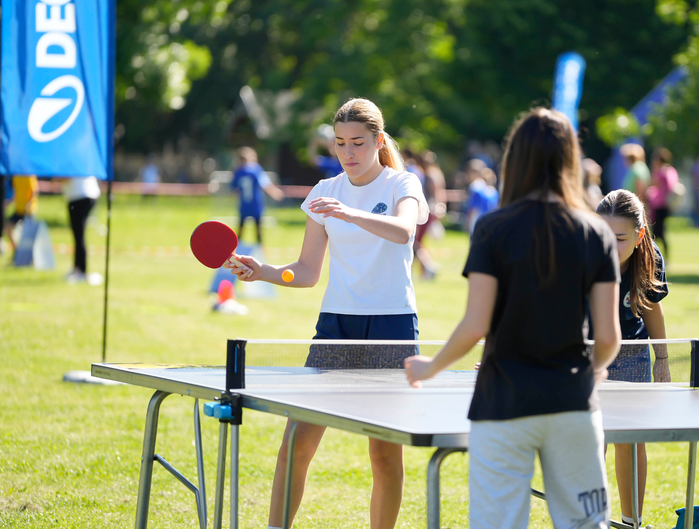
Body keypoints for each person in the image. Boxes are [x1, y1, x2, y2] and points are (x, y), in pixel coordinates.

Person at [405, 107, 621, 529]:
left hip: (502, 404)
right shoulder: (596, 233)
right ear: (570, 159)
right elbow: (609, 338)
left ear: (514, 159)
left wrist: (431, 366)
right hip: (572, 403)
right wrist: (588, 370)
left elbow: (475, 325)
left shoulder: (492, 228)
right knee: (585, 524)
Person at [225, 97, 429, 529]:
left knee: (384, 454)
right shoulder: (323, 193)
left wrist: (352, 214)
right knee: (295, 445)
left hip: (391, 325)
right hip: (335, 325)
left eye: (357, 142)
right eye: (340, 143)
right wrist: (264, 273)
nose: (348, 153)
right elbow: (305, 272)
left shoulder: (402, 184)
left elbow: (405, 231)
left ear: (377, 141)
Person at [593, 189, 670, 529]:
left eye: (620, 238)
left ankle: (630, 523)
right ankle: (587, 520)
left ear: (639, 236)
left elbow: (651, 305)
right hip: (586, 355)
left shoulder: (650, 256)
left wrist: (662, 358)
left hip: (631, 353)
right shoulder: (579, 253)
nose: (610, 246)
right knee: (592, 440)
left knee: (630, 441)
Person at [231, 147, 284, 245]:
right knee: (258, 229)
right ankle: (260, 249)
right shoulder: (255, 170)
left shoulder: (238, 171)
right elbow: (265, 184)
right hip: (255, 204)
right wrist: (275, 192)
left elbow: (234, 189)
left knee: (241, 229)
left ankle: (236, 248)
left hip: (244, 204)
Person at [412, 150, 447, 279]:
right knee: (419, 242)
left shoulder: (430, 175)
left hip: (429, 210)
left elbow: (434, 194)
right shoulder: (438, 173)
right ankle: (424, 270)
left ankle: (429, 267)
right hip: (434, 209)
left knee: (417, 242)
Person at [62, 176, 102, 284]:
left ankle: (81, 270)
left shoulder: (69, 159)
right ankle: (77, 267)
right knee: (78, 234)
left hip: (79, 196)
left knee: (79, 234)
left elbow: (65, 178)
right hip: (86, 194)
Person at [647, 148, 681, 257]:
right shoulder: (671, 170)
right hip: (665, 205)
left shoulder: (661, 172)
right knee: (660, 231)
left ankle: (656, 256)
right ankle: (659, 256)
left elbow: (653, 184)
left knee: (658, 232)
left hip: (659, 205)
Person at [4, 174, 38, 256]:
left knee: (28, 235)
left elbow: (34, 190)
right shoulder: (15, 176)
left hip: (28, 211)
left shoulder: (29, 175)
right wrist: (8, 203)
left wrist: (29, 203)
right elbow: (16, 192)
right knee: (8, 228)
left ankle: (31, 256)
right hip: (19, 209)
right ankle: (17, 252)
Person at [464, 161, 499, 234]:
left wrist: (467, 221)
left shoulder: (475, 186)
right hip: (489, 219)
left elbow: (473, 207)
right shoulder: (491, 190)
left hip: (478, 218)